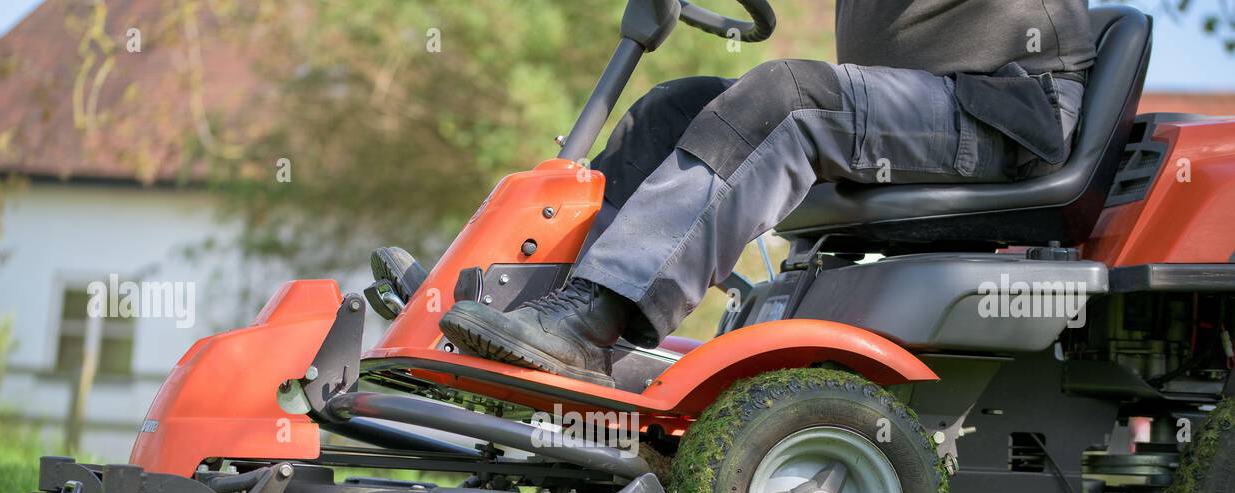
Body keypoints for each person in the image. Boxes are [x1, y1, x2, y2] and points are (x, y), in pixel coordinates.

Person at [440, 0, 1097, 386]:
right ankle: (537, 311)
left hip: (1003, 112)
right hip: (912, 106)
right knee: (672, 109)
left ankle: (590, 322)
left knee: (787, 98)